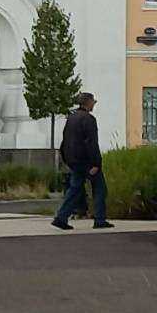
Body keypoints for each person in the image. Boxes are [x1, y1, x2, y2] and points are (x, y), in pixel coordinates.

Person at [52, 92, 112, 231]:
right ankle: (99, 219)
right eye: (93, 102)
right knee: (100, 189)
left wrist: (67, 159)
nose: (94, 104)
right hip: (87, 162)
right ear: (88, 103)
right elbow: (91, 143)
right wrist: (96, 163)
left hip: (74, 161)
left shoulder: (71, 118)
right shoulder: (89, 119)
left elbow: (65, 141)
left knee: (74, 189)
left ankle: (61, 217)